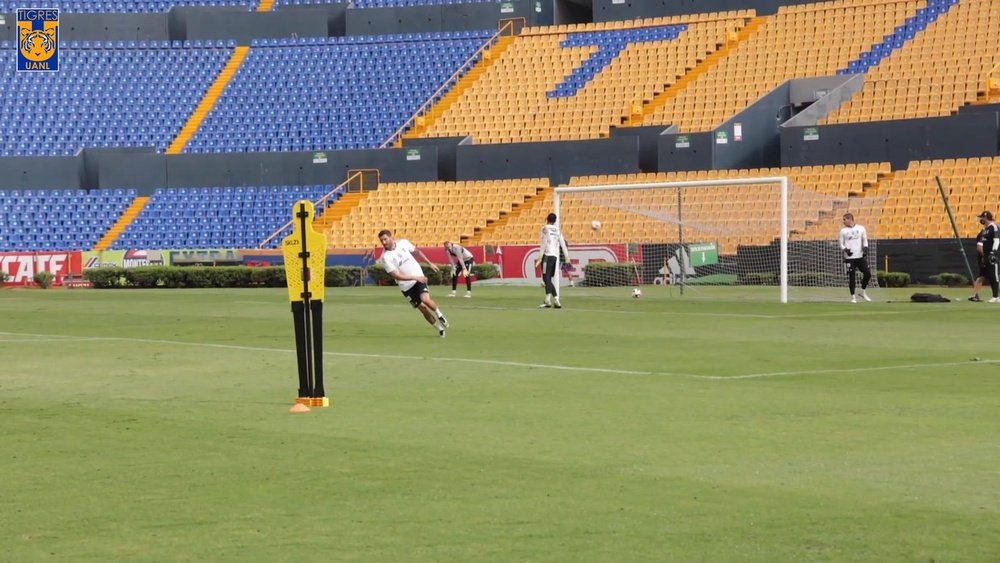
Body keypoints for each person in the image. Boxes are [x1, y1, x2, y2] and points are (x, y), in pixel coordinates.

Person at [378, 229, 449, 337]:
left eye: (385, 239)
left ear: (391, 237)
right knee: (423, 308)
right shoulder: (386, 258)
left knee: (426, 300)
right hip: (406, 287)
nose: (383, 242)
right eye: (381, 240)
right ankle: (439, 329)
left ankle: (439, 314)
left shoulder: (404, 243)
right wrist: (414, 277)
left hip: (418, 278)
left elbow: (417, 252)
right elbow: (396, 276)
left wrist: (429, 263)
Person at [537, 212, 570, 309]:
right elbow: (563, 244)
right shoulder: (557, 230)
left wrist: (540, 256)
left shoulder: (545, 228)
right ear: (555, 221)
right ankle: (549, 299)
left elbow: (544, 242)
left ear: (547, 219)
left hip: (547, 255)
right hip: (555, 257)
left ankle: (555, 298)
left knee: (546, 278)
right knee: (548, 279)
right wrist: (567, 257)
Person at [839, 212, 872, 303]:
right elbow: (841, 244)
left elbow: (865, 239)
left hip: (860, 256)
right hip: (849, 258)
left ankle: (863, 292)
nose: (843, 221)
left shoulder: (861, 228)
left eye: (844, 219)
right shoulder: (843, 231)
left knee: (868, 273)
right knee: (852, 277)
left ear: (850, 219)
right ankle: (853, 297)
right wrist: (846, 250)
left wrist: (865, 248)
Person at [974, 210, 1000, 302]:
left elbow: (997, 240)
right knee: (991, 276)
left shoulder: (994, 227)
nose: (981, 219)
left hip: (993, 255)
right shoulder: (986, 229)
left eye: (982, 217)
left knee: (995, 276)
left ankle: (996, 296)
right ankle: (995, 296)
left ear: (985, 217)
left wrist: (994, 252)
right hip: (987, 255)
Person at [969, 210, 992, 301]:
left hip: (986, 257)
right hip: (986, 258)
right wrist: (987, 256)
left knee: (982, 277)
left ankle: (974, 295)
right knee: (992, 276)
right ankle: (996, 296)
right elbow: (979, 247)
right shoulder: (984, 233)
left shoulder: (987, 232)